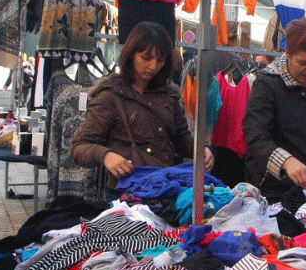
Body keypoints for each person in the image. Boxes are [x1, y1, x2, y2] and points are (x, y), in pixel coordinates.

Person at [70, 22, 213, 195]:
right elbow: (79, 147)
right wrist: (105, 155)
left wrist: (201, 150)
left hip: (165, 188)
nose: (153, 66)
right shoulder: (110, 95)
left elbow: (182, 138)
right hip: (127, 193)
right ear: (131, 54)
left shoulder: (169, 94)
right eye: (146, 58)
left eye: (160, 60)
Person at [242, 17, 306, 211]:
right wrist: (287, 161)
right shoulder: (267, 84)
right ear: (288, 54)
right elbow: (255, 136)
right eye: (303, 63)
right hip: (272, 189)